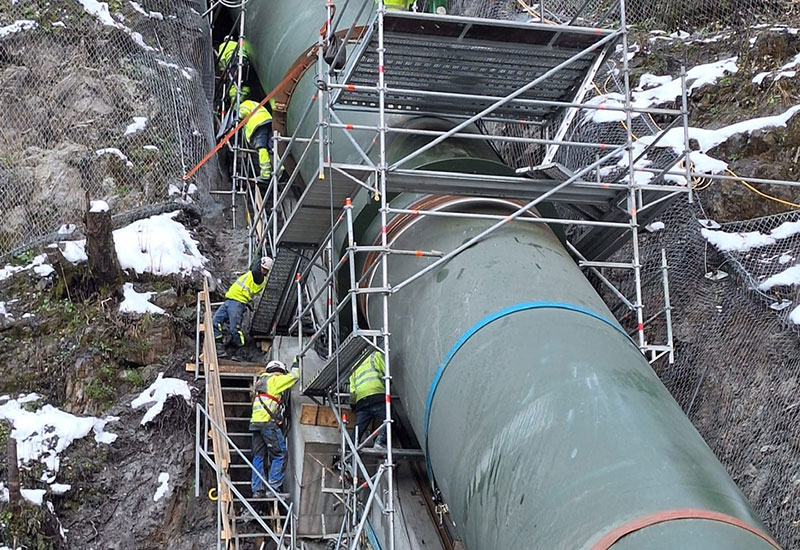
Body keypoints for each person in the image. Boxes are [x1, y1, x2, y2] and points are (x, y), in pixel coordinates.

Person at [250, 359, 300, 497]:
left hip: (256, 424)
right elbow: (295, 376)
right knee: (280, 454)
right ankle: (273, 488)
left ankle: (257, 490)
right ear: (278, 371)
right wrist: (296, 362)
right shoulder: (274, 381)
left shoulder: (260, 382)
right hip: (268, 424)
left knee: (259, 456)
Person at [213, 255, 273, 357]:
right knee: (215, 321)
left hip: (238, 302)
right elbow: (254, 265)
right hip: (229, 300)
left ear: (266, 271)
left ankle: (241, 350)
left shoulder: (259, 278)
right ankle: (219, 346)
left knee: (234, 329)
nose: (261, 269)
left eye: (264, 269)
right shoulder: (253, 273)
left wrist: (261, 259)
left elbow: (255, 268)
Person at [349, 350, 387, 449]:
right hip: (377, 396)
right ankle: (380, 441)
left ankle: (351, 449)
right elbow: (386, 375)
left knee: (358, 429)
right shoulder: (375, 355)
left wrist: (353, 406)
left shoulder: (354, 366)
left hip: (361, 402)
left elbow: (352, 392)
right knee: (389, 420)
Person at [239, 99, 274, 180]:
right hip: (268, 122)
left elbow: (242, 113)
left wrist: (237, 118)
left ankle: (265, 173)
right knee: (272, 148)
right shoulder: (257, 105)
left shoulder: (244, 104)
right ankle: (280, 169)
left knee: (262, 148)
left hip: (257, 125)